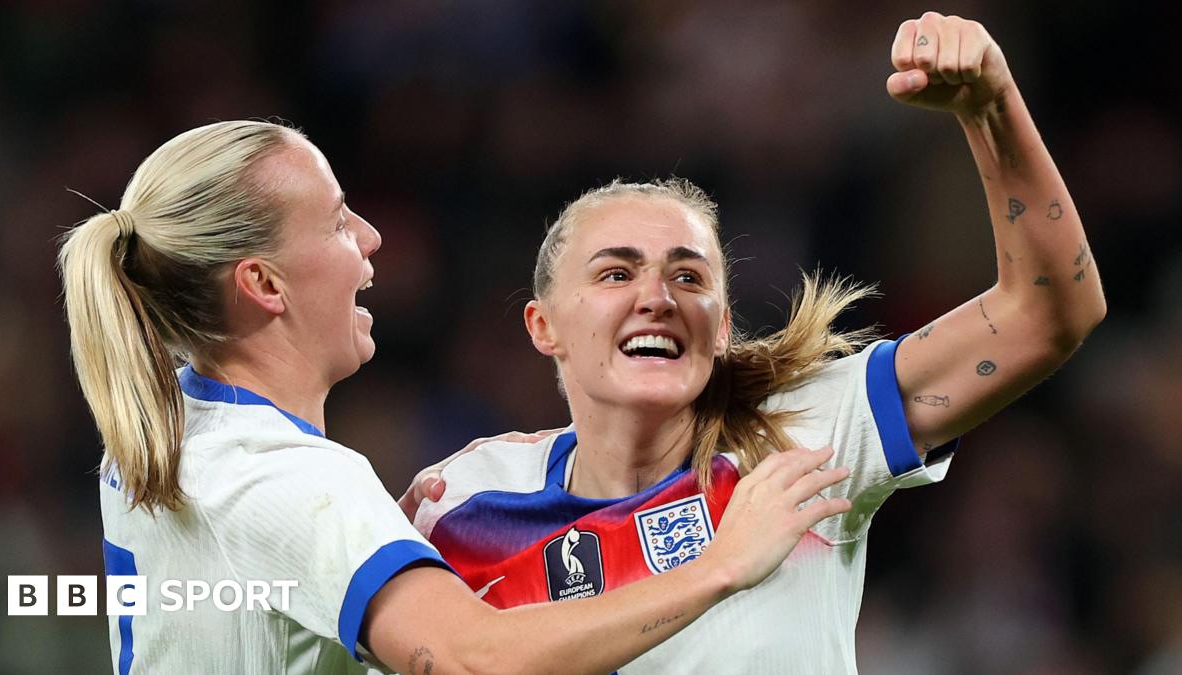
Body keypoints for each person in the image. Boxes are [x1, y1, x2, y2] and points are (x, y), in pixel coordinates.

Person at [410, 12, 1107, 674]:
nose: (657, 297)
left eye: (688, 275)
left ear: (720, 328)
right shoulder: (468, 501)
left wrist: (992, 109)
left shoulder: (804, 437)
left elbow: (1047, 313)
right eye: (616, 273)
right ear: (544, 326)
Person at [58, 120, 854, 675]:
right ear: (265, 284)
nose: (370, 237)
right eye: (337, 224)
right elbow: (472, 659)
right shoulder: (300, 486)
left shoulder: (161, 426)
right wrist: (720, 565)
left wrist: (364, 546)